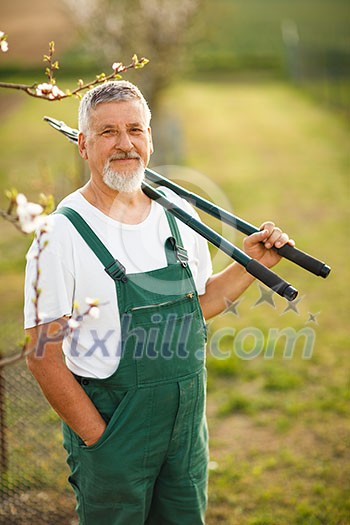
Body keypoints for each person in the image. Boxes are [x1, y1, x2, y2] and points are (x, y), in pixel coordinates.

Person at [24, 80, 294, 525]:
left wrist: (253, 262)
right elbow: (41, 354)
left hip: (186, 429)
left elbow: (199, 303)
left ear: (150, 139)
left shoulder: (177, 213)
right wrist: (99, 441)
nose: (125, 144)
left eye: (135, 129)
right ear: (83, 145)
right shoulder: (60, 234)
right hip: (112, 428)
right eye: (108, 132)